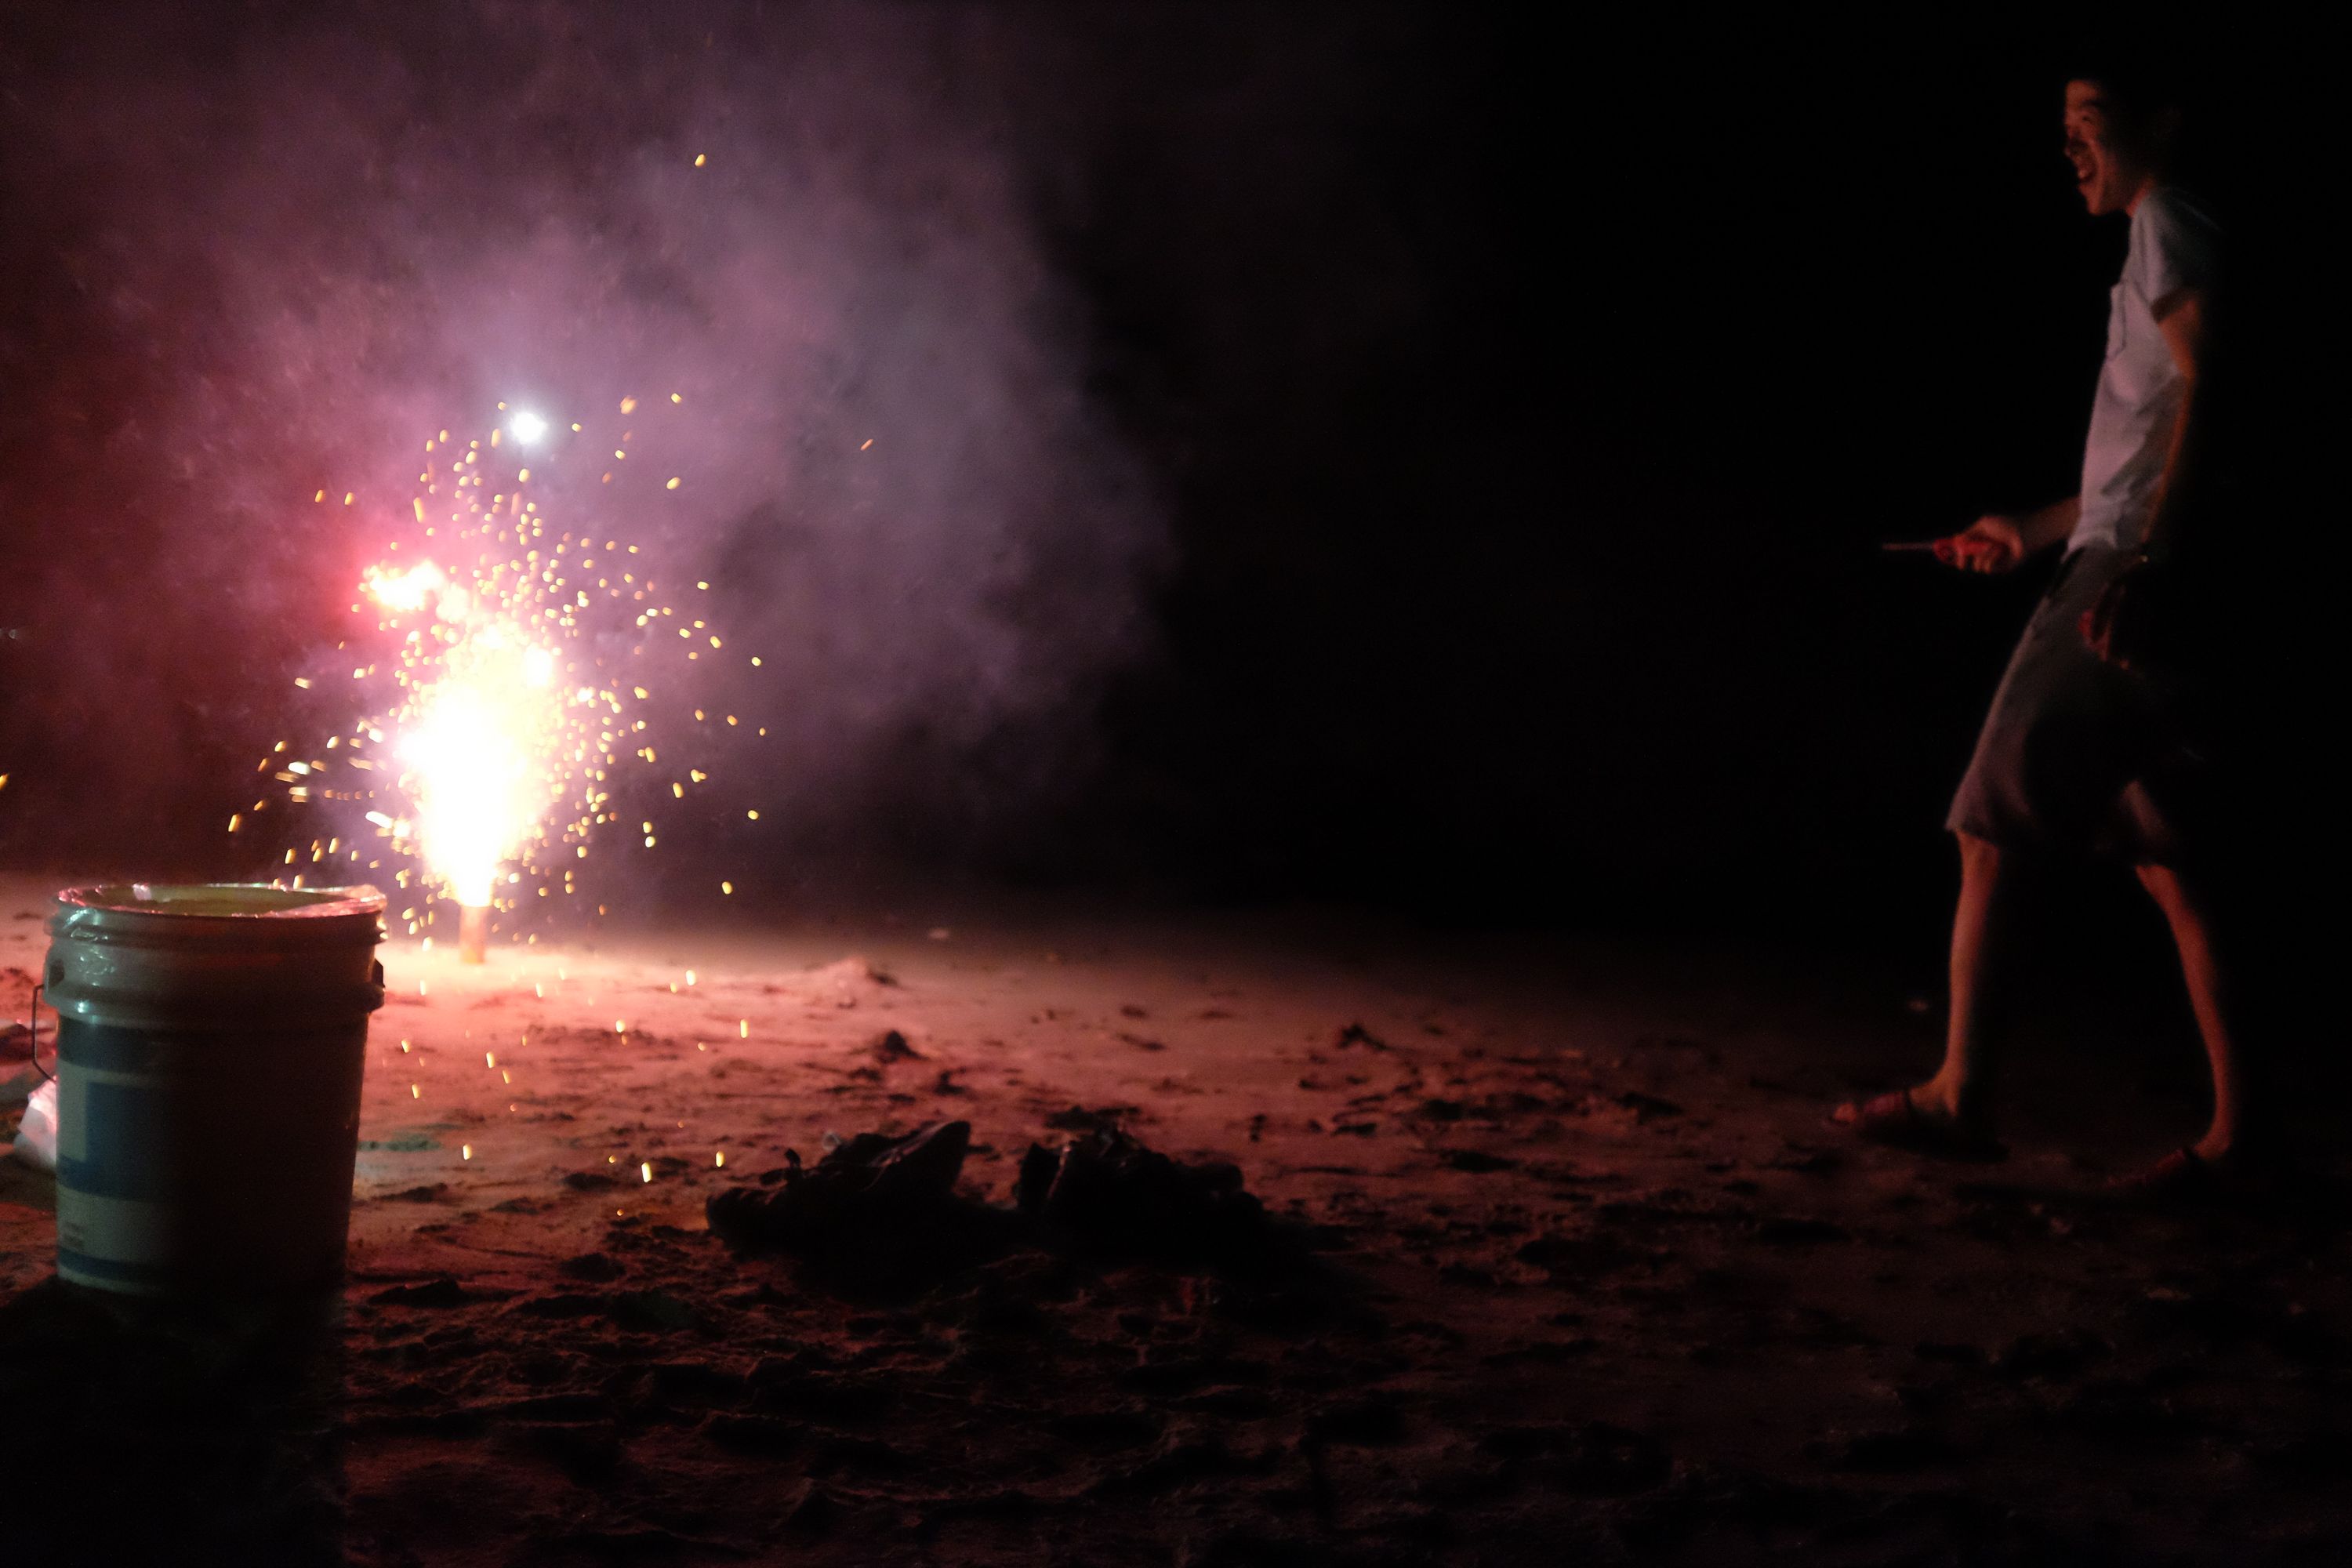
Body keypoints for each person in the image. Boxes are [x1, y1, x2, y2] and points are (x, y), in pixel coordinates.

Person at [1834, 63, 2256, 1195]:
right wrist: (2032, 528)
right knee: (2175, 861)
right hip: (2145, 560)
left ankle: (1962, 1095)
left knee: (1990, 824)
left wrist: (2148, 561)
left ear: (2166, 117)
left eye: (2088, 124)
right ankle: (2242, 1144)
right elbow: (2160, 436)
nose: (2069, 148)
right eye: (2063, 127)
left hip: (2133, 577)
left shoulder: (2170, 219)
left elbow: (2219, 384)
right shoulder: (2172, 231)